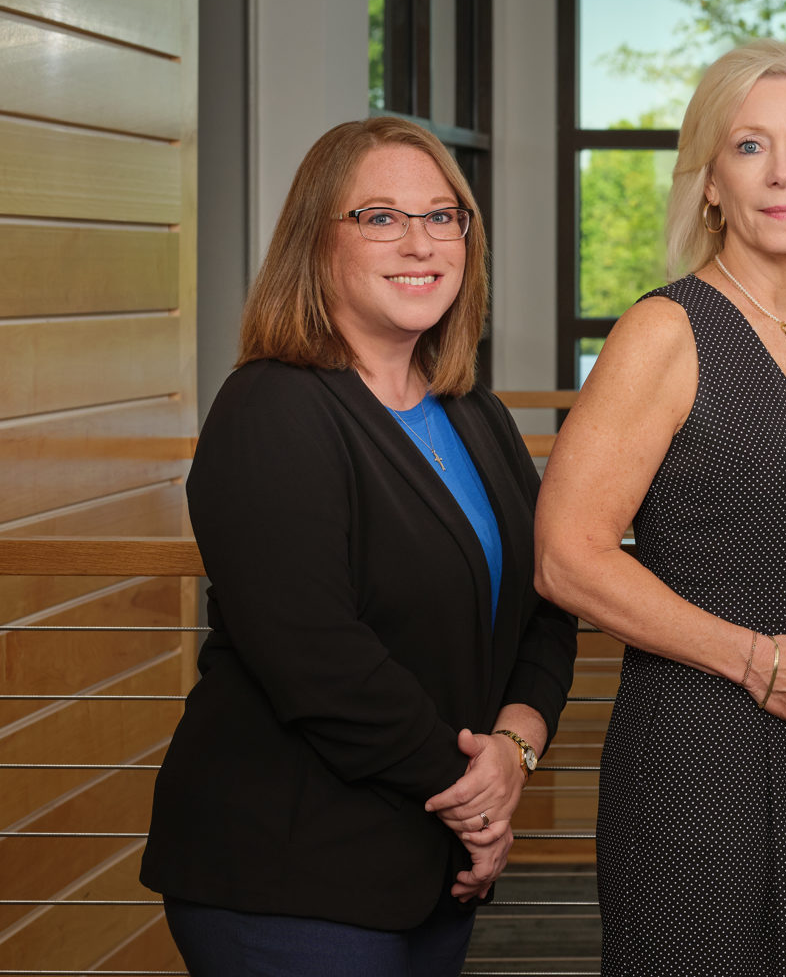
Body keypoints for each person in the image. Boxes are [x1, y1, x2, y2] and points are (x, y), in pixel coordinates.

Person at [142, 117, 580, 976]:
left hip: (429, 875)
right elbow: (316, 656)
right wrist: (477, 797)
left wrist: (516, 746)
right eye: (380, 217)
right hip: (287, 875)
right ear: (317, 241)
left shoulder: (474, 415)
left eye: (443, 216)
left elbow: (545, 602)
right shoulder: (271, 408)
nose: (419, 242)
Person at [533, 39, 786, 976]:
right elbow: (567, 556)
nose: (782, 172)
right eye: (749, 147)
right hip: (700, 756)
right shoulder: (665, 330)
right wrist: (756, 661)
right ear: (708, 183)